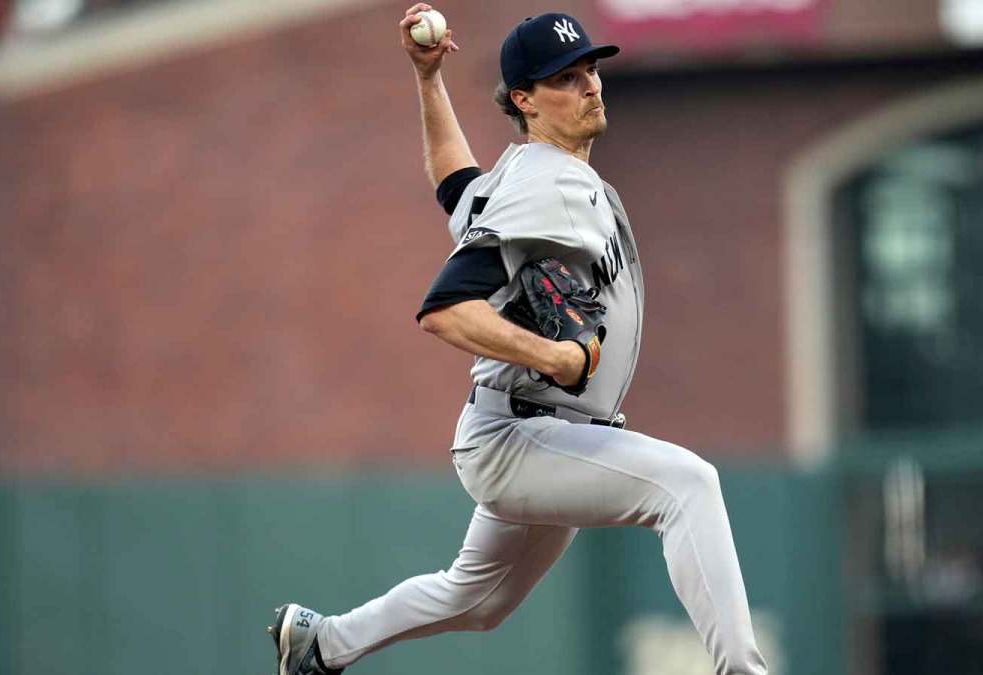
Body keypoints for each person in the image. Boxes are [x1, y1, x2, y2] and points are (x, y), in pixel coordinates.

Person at [267, 6, 769, 674]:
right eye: (567, 77)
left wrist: (427, 81)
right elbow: (444, 309)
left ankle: (320, 642)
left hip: (541, 433)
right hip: (524, 436)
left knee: (478, 598)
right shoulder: (550, 181)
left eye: (591, 68)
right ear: (526, 100)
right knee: (686, 484)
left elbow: (454, 184)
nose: (590, 84)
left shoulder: (519, 175)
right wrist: (554, 354)